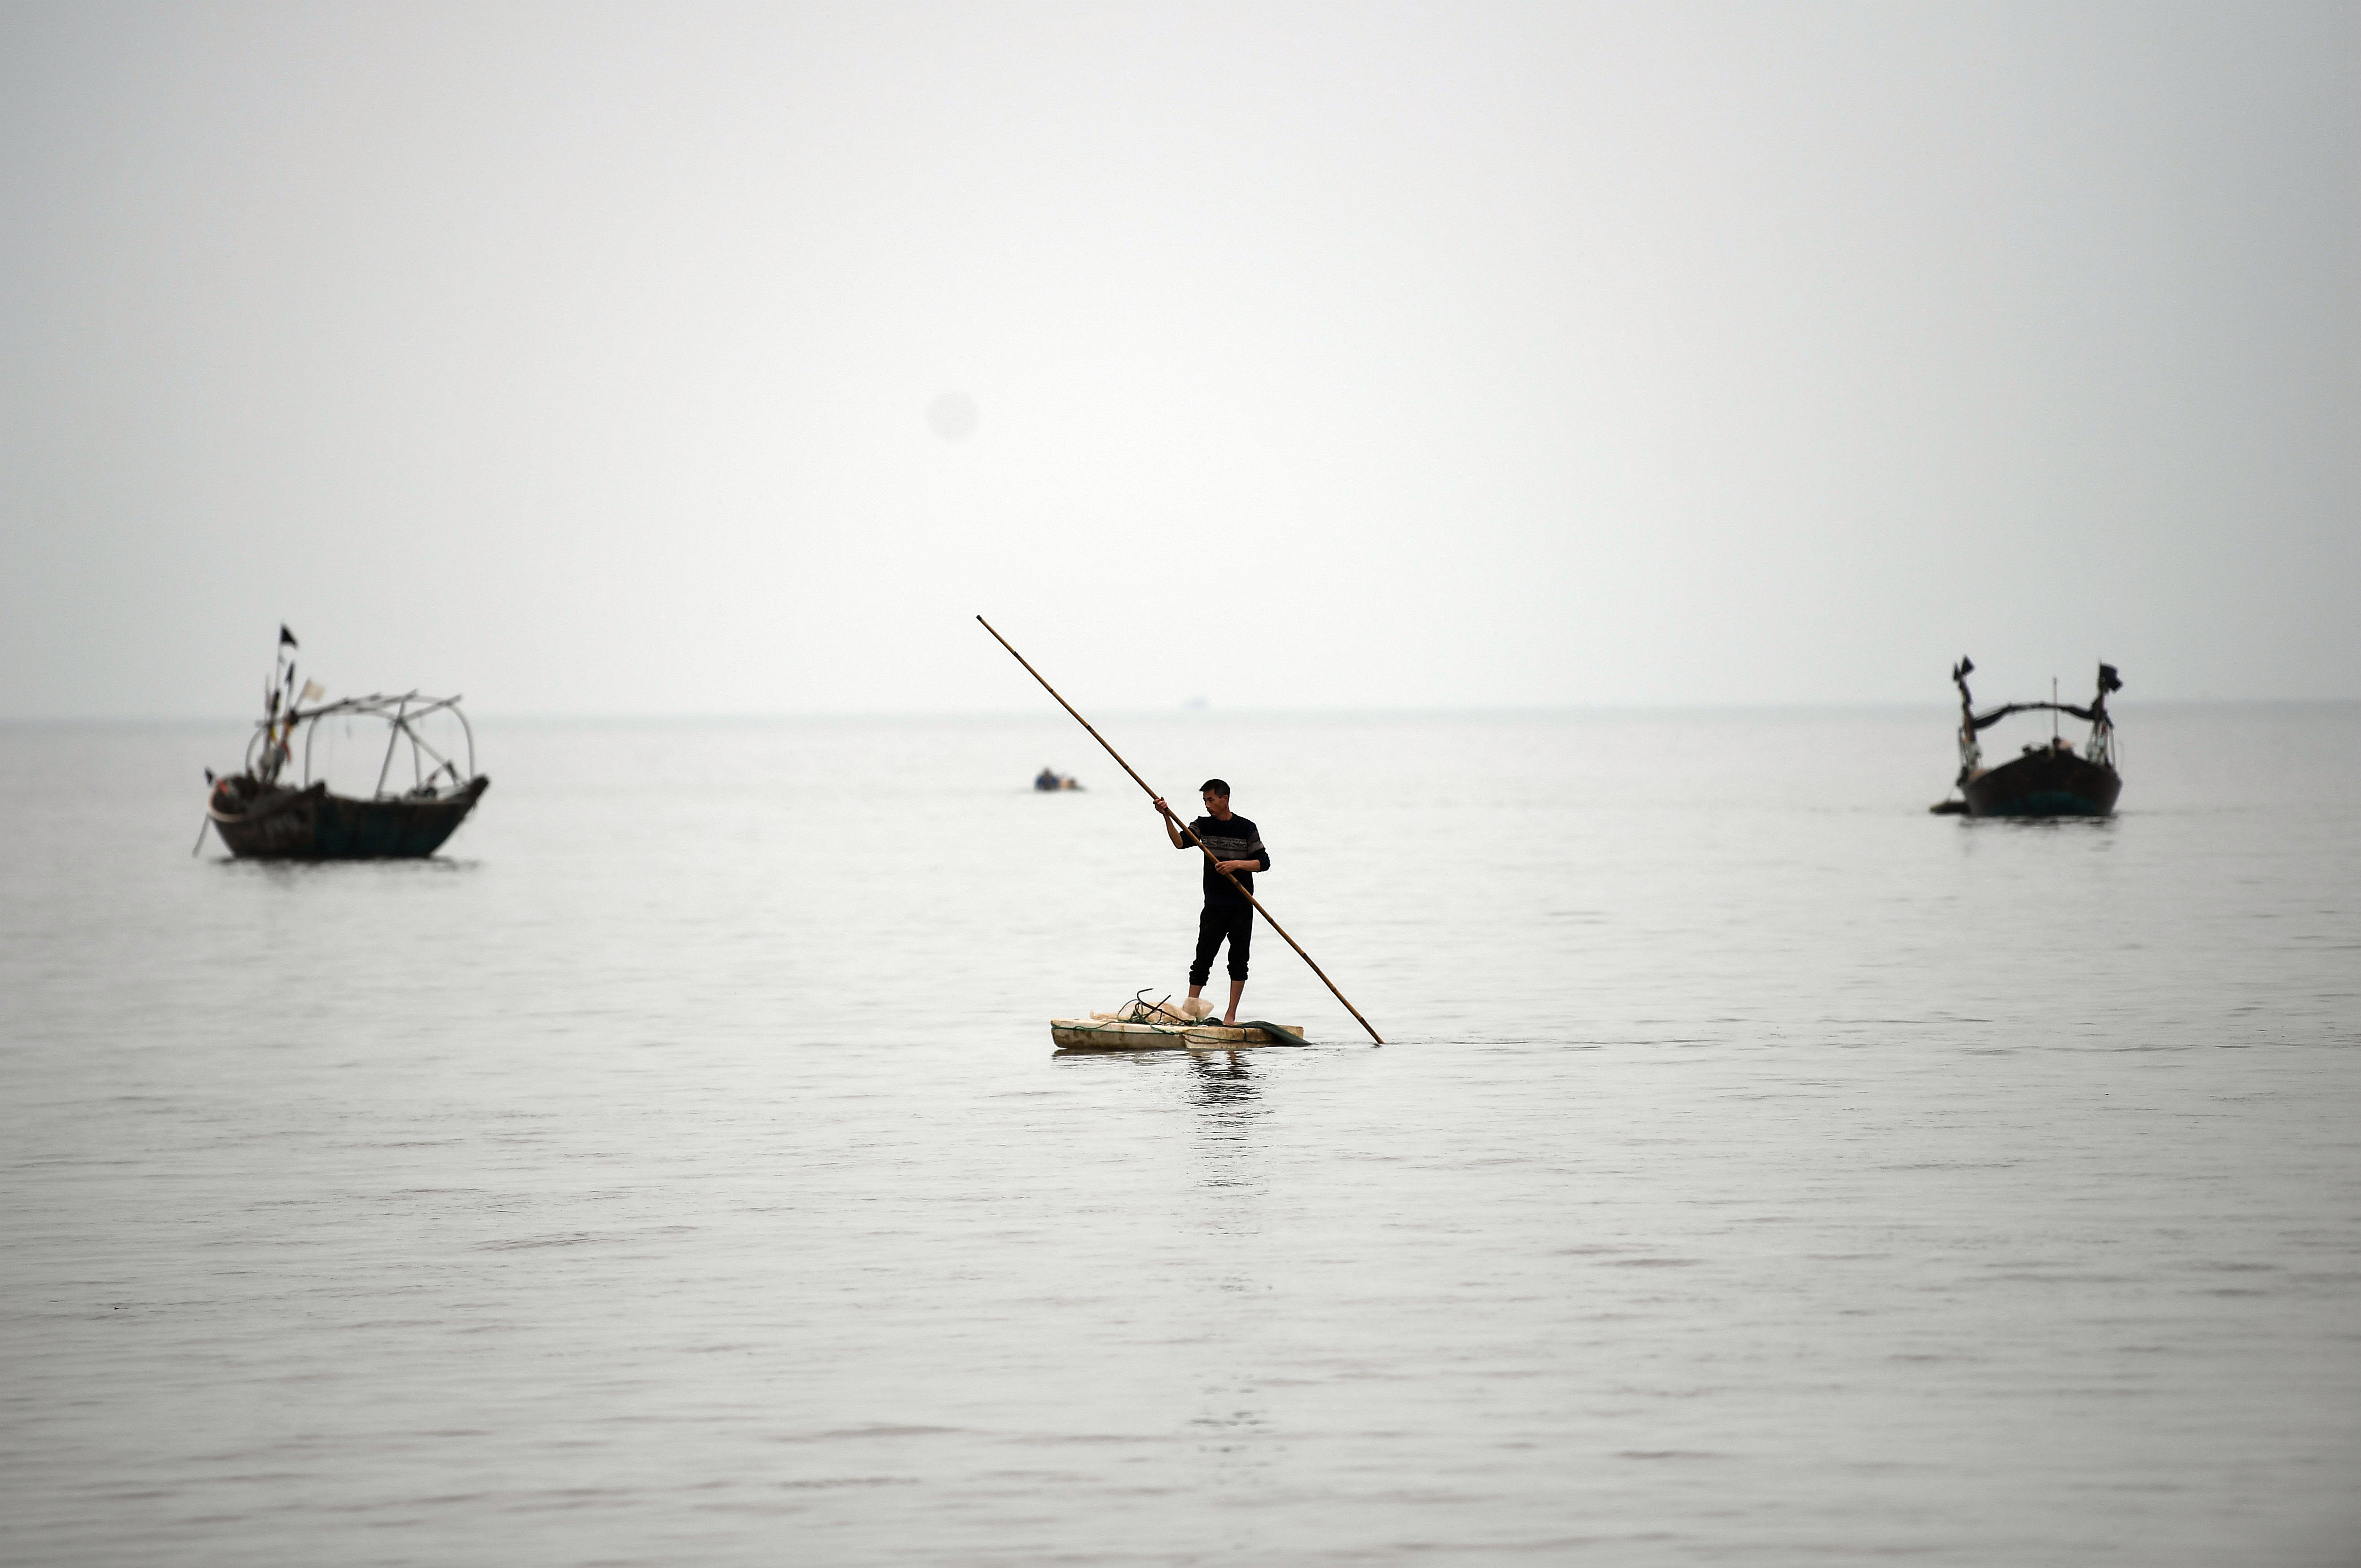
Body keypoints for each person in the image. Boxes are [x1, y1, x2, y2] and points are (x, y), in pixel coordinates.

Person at [1150, 779, 1269, 1025]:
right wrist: (1166, 816)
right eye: (1205, 800)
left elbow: (1263, 863)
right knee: (1203, 959)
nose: (1207, 805)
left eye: (1211, 800)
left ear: (1225, 799)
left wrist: (1236, 865)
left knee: (1238, 962)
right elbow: (1180, 843)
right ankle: (1190, 1013)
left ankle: (1231, 1016)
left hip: (1242, 905)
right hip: (1214, 905)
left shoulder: (1246, 828)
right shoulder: (1203, 825)